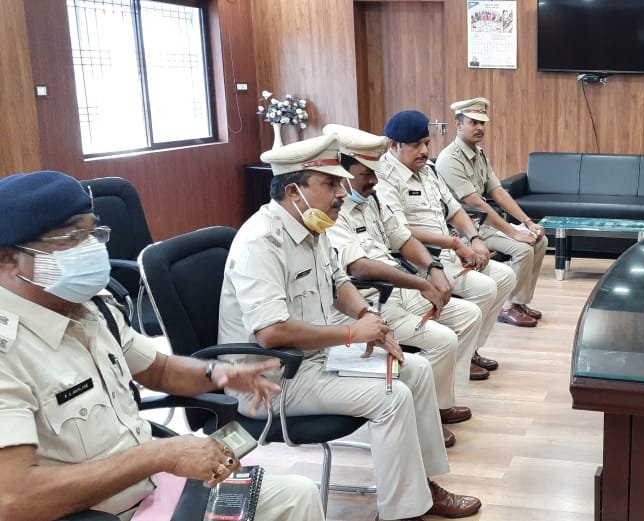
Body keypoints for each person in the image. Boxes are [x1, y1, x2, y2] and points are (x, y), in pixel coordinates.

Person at [0, 171, 324, 521]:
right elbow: (13, 499)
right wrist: (159, 455)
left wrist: (218, 373)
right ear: (8, 258)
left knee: (298, 495)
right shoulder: (8, 351)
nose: (91, 248)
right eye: (71, 238)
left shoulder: (92, 308)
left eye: (93, 233)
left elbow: (159, 369)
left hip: (153, 488)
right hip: (96, 511)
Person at [216, 135, 481, 521]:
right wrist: (354, 334)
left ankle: (422, 487)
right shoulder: (261, 241)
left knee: (416, 368)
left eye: (340, 183)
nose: (341, 193)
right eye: (330, 184)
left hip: (315, 359)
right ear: (293, 191)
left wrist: (369, 319)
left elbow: (339, 284)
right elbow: (271, 332)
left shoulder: (312, 225)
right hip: (272, 379)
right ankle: (404, 512)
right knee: (391, 397)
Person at [323, 124, 484, 444]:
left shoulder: (371, 199)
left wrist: (433, 268)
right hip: (370, 301)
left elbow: (403, 238)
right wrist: (419, 283)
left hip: (399, 290)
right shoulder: (334, 211)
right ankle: (424, 417)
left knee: (468, 315)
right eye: (366, 173)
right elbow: (360, 267)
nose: (374, 180)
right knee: (442, 340)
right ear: (342, 174)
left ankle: (438, 404)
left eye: (375, 172)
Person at [377, 109, 516, 377]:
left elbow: (454, 210)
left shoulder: (428, 171)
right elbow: (400, 230)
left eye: (426, 143)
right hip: (418, 262)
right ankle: (461, 361)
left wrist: (475, 239)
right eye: (416, 145)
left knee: (505, 276)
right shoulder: (384, 177)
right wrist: (454, 243)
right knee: (485, 287)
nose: (424, 151)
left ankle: (470, 350)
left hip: (450, 254)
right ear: (394, 145)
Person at [437, 97, 548, 328]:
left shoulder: (479, 154)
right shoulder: (449, 159)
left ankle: (519, 303)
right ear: (458, 124)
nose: (479, 127)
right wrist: (513, 233)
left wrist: (527, 222)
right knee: (522, 249)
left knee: (539, 240)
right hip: (464, 231)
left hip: (484, 226)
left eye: (482, 123)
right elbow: (476, 203)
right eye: (473, 122)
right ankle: (507, 308)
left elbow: (498, 192)